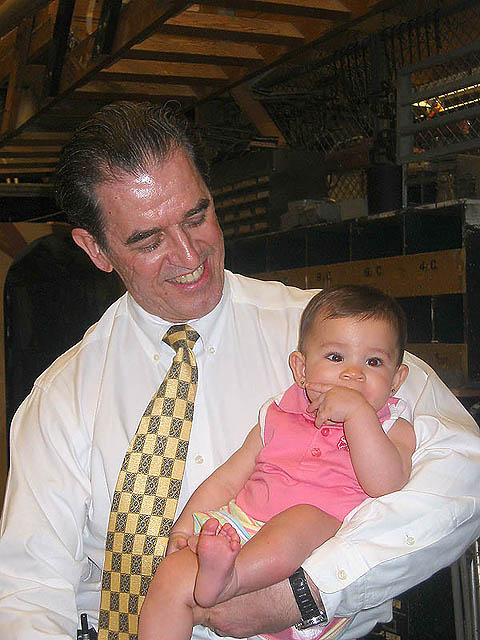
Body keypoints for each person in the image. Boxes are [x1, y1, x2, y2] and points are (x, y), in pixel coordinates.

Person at [0, 101, 479, 640]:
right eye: (149, 240)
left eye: (197, 217)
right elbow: (29, 590)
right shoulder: (61, 398)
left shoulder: (331, 337)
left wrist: (309, 590)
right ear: (96, 249)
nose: (189, 255)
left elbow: (464, 470)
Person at [138, 285, 415, 640]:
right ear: (301, 369)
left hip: (311, 556)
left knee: (302, 518)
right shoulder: (277, 414)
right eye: (335, 357)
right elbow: (227, 480)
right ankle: (216, 579)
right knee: (169, 578)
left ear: (396, 380)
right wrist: (183, 528)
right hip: (239, 534)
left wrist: (359, 414)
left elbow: (386, 485)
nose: (352, 374)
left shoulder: (392, 427)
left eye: (373, 362)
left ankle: (232, 579)